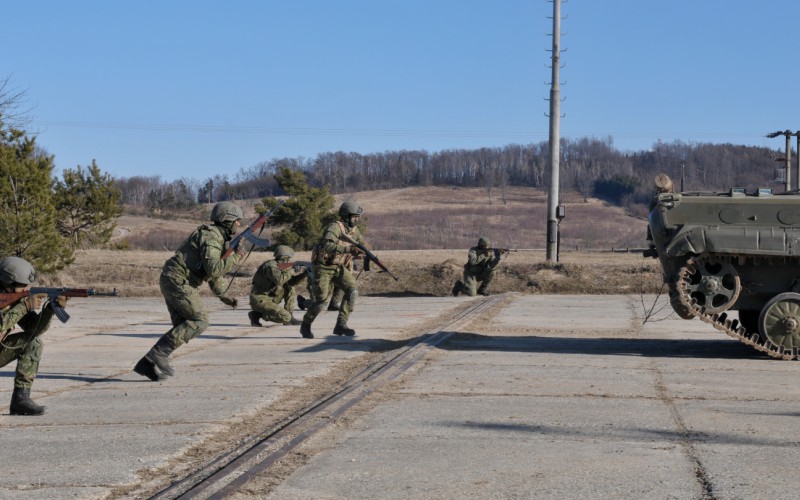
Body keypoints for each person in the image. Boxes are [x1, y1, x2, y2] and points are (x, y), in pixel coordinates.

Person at [134, 201, 244, 381]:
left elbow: (213, 275)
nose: (239, 225)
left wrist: (225, 297)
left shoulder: (217, 238)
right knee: (199, 321)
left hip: (174, 279)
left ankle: (147, 363)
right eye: (237, 220)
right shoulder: (211, 237)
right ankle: (157, 355)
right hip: (178, 280)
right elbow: (215, 269)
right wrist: (236, 257)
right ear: (228, 220)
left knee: (183, 326)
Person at [0, 256, 67, 415]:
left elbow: (33, 329)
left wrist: (50, 310)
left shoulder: (13, 301)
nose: (25, 290)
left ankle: (20, 400)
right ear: (9, 282)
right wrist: (25, 306)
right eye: (22, 287)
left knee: (33, 342)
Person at [300, 201, 365, 339]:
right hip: (323, 267)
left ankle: (341, 324)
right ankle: (305, 324)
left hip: (338, 267)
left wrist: (363, 252)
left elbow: (361, 244)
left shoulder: (354, 231)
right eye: (355, 217)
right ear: (346, 216)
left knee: (352, 290)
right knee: (321, 301)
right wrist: (348, 249)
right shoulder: (334, 228)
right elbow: (327, 246)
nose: (357, 219)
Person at [248, 245, 306, 327]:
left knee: (290, 288)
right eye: (288, 259)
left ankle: (290, 316)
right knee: (285, 317)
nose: (289, 261)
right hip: (259, 299)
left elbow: (292, 282)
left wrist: (305, 273)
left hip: (271, 297)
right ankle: (257, 315)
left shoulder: (281, 266)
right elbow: (280, 280)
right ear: (284, 257)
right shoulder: (270, 266)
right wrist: (292, 269)